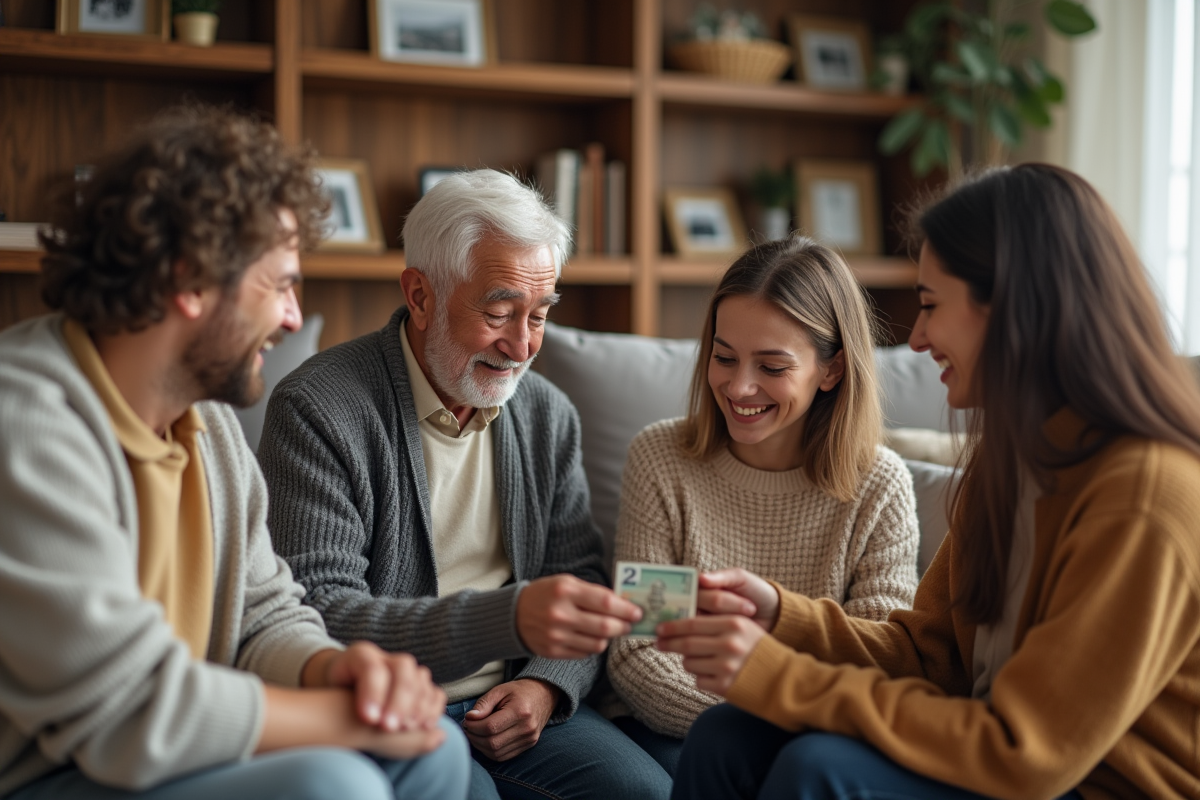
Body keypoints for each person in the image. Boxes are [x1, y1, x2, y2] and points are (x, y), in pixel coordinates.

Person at [659, 163, 1200, 800]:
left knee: (820, 771)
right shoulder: (1011, 467)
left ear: (1014, 309)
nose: (915, 338)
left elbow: (1028, 753)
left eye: (930, 306)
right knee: (729, 735)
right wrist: (781, 617)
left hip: (1083, 786)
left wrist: (775, 675)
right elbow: (931, 658)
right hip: (1011, 766)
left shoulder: (1144, 496)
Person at [0, 104, 470, 800]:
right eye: (279, 283)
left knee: (436, 751)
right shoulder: (30, 423)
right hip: (53, 770)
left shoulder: (208, 426)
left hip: (157, 750)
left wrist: (334, 671)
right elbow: (127, 714)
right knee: (332, 783)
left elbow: (263, 614)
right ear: (190, 279)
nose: (290, 316)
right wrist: (344, 720)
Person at [258, 168, 673, 800]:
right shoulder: (320, 409)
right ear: (420, 296)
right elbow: (318, 615)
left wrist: (546, 685)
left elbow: (581, 577)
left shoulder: (546, 413)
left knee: (643, 791)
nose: (522, 345)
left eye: (539, 314)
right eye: (500, 312)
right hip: (387, 711)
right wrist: (509, 620)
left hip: (519, 705)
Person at [606, 235, 920, 776]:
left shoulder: (879, 485)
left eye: (772, 367)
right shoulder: (661, 458)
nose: (740, 386)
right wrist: (750, 718)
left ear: (832, 370)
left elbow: (880, 659)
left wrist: (774, 718)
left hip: (810, 743)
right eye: (724, 357)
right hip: (675, 729)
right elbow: (638, 651)